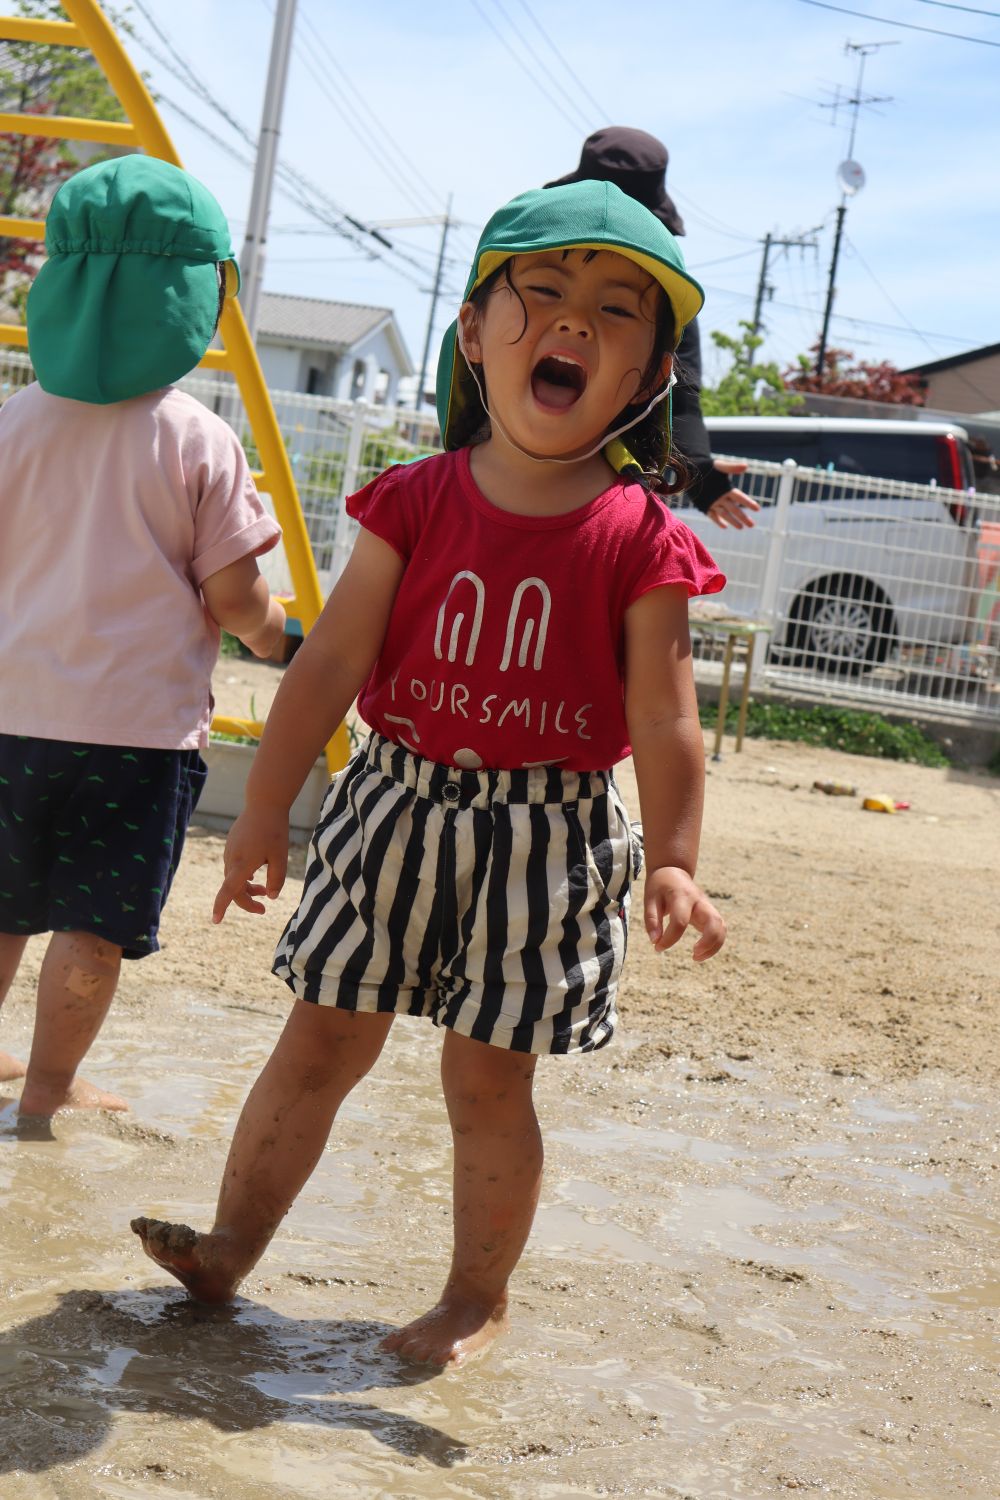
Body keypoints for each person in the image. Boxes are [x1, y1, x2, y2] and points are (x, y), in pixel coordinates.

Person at [132, 180, 727, 1366]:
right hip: (391, 805)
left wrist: (672, 859)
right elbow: (328, 664)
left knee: (487, 1076)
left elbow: (664, 720)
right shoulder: (412, 497)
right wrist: (261, 811)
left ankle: (472, 1299)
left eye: (615, 314)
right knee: (319, 1038)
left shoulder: (640, 534)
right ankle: (229, 1251)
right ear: (472, 333)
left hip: (548, 834)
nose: (572, 326)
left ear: (645, 378)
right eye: (542, 295)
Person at [0, 155, 286, 1117]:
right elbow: (238, 597)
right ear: (192, 301)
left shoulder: (12, 423)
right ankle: (45, 1093)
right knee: (93, 925)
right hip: (135, 736)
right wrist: (276, 635)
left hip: (8, 717)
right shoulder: (196, 438)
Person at [546, 126, 760, 530]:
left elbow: (681, 381)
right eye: (546, 291)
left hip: (590, 482)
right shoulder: (533, 248)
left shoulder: (660, 284)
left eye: (617, 309)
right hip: (519, 467)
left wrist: (698, 471)